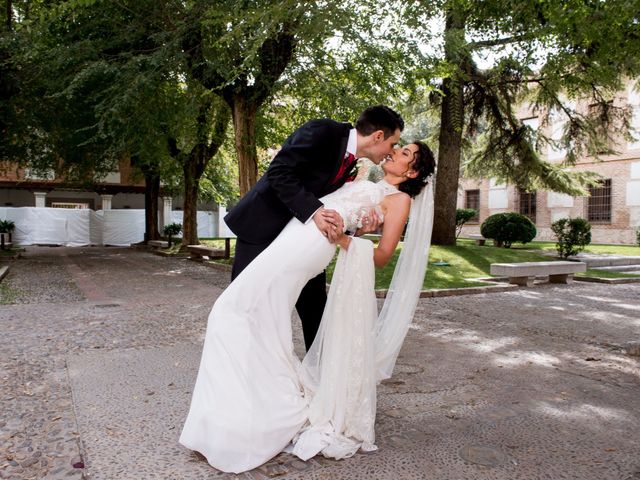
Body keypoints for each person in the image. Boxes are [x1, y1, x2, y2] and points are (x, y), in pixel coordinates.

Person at [179, 141, 436, 473]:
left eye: (403, 153)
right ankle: (241, 414)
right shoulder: (366, 179)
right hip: (293, 234)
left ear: (412, 172)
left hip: (312, 245)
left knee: (233, 311)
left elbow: (383, 256)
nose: (394, 151)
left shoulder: (400, 201)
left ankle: (264, 415)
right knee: (252, 317)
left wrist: (347, 240)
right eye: (396, 146)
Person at [224, 105, 404, 351]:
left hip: (304, 239)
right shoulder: (323, 131)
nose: (391, 151)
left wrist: (354, 228)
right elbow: (279, 173)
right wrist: (315, 211)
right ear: (378, 136)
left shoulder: (352, 162)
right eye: (393, 143)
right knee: (243, 304)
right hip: (263, 228)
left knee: (315, 312)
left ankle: (317, 380)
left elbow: (334, 203)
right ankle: (236, 371)